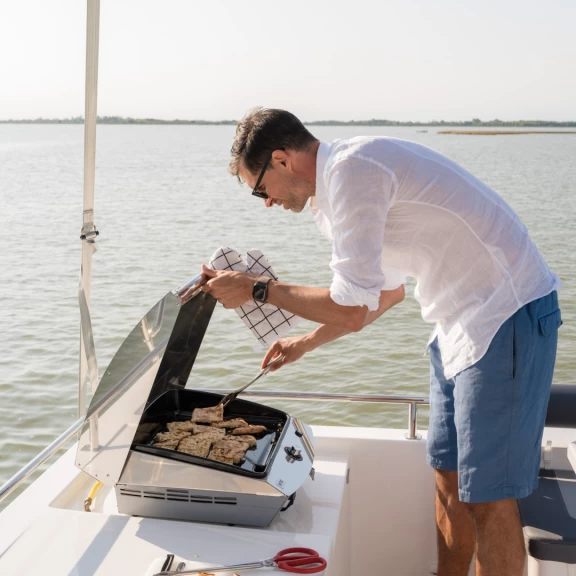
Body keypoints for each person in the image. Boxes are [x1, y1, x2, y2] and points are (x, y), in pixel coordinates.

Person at [200, 107, 562, 576]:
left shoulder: (353, 172)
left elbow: (351, 306)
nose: (266, 202)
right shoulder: (332, 198)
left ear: (282, 159)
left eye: (259, 188)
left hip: (505, 312)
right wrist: (304, 342)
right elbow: (384, 295)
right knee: (448, 480)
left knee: (489, 498)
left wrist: (257, 289)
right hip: (455, 323)